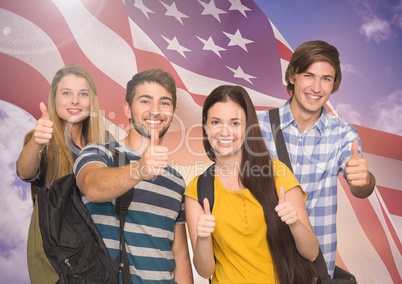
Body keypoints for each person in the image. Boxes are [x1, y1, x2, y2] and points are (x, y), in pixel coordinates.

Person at [257, 40, 376, 278]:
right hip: (262, 262)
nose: (316, 87)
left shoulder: (343, 134)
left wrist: (363, 180)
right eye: (309, 75)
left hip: (315, 269)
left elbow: (361, 188)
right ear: (292, 76)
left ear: (334, 85)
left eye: (326, 79)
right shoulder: (257, 127)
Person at [185, 85, 319, 283]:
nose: (224, 132)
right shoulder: (198, 189)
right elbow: (205, 271)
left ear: (248, 126)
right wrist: (203, 238)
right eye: (216, 122)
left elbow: (311, 253)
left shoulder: (277, 173)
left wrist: (294, 223)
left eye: (235, 123)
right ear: (206, 126)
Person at [73, 68, 194, 283]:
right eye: (145, 101)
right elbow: (92, 187)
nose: (155, 110)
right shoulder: (98, 153)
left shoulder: (176, 181)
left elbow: (180, 255)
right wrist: (139, 169)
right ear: (128, 109)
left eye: (164, 103)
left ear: (173, 112)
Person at [16, 64, 110, 283]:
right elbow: (24, 171)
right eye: (66, 93)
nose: (74, 101)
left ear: (92, 100)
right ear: (54, 98)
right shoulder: (41, 137)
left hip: (98, 256)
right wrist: (37, 144)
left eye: (82, 94)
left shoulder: (106, 142)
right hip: (57, 260)